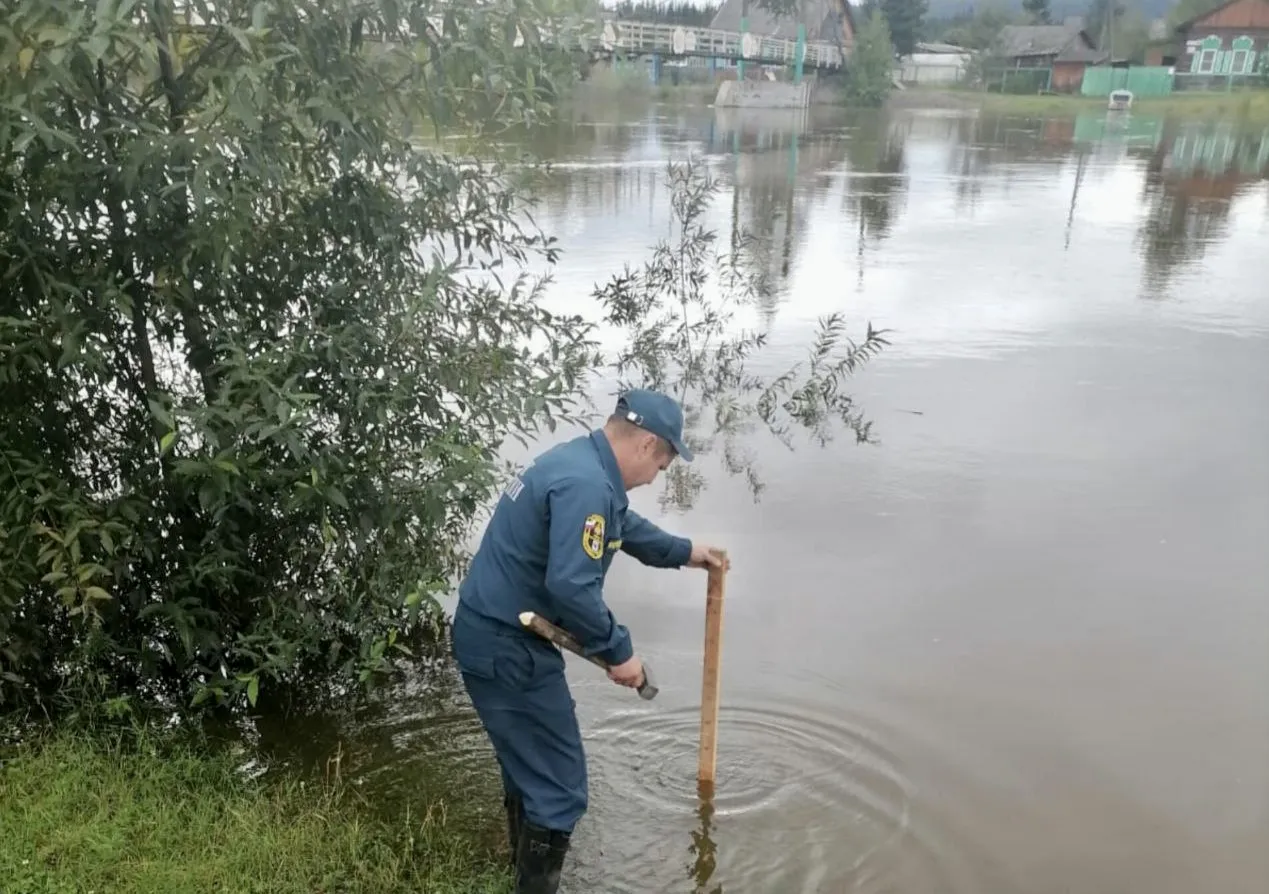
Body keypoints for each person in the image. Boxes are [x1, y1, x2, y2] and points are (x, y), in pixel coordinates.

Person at [450, 387, 726, 894]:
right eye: (663, 463)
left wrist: (684, 551)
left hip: (488, 631)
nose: (658, 475)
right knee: (560, 786)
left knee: (529, 769)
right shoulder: (587, 485)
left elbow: (618, 526)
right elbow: (571, 587)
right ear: (646, 445)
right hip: (510, 647)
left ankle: (521, 874)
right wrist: (619, 652)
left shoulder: (581, 464)